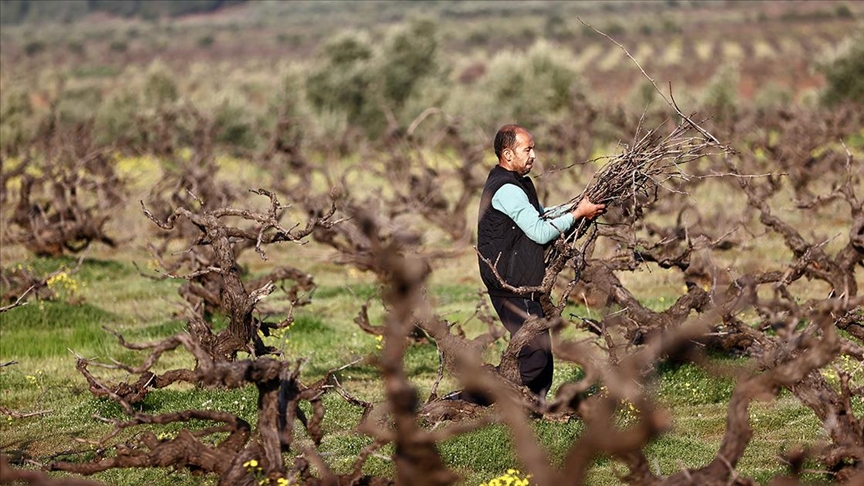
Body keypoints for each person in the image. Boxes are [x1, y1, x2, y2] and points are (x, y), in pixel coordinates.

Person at [453, 124, 605, 404]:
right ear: (508, 154)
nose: (534, 155)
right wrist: (577, 214)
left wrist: (576, 209)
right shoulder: (507, 189)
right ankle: (468, 401)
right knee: (535, 356)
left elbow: (539, 215)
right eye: (528, 149)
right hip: (509, 282)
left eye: (533, 148)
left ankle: (533, 406)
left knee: (540, 355)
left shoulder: (518, 182)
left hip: (519, 278)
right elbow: (540, 231)